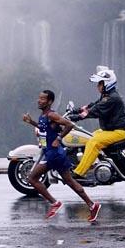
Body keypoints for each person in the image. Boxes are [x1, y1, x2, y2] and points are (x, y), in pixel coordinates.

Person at [22, 90, 101, 222]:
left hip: (54, 154)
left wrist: (58, 138)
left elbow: (69, 125)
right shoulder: (44, 115)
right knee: (70, 181)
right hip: (52, 153)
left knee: (32, 178)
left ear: (49, 102)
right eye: (39, 98)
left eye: (42, 99)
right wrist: (32, 122)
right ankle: (92, 205)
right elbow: (44, 129)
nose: (39, 100)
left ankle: (55, 203)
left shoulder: (52, 114)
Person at [69, 66, 125, 178]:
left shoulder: (111, 98)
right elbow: (92, 105)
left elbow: (95, 111)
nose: (98, 86)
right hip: (111, 130)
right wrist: (76, 110)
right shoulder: (106, 96)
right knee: (90, 137)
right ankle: (96, 163)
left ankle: (79, 172)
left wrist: (76, 117)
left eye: (100, 84)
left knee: (94, 141)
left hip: (119, 132)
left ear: (107, 83)